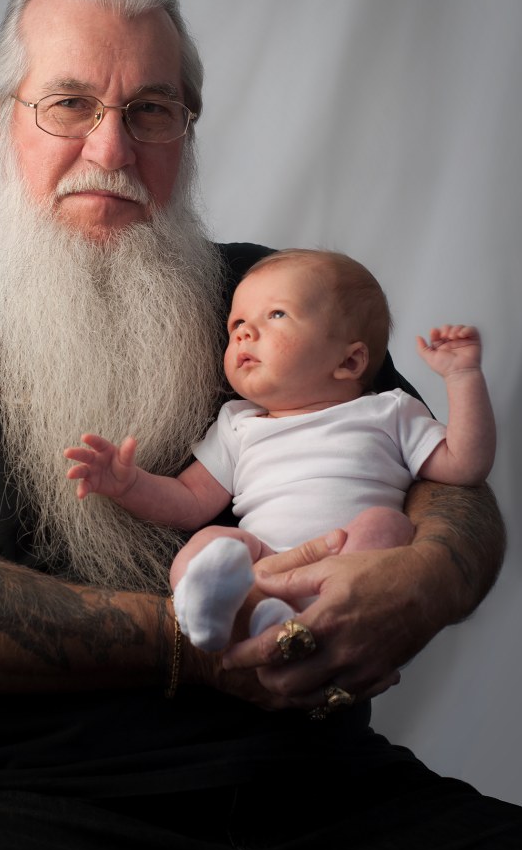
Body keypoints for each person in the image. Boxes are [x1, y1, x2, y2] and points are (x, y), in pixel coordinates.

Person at [0, 0, 522, 850]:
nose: (112, 150)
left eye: (150, 110)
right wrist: (190, 643)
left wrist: (427, 581)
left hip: (326, 790)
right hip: (20, 807)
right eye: (70, 104)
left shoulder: (274, 300)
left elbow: (447, 482)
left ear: (187, 129)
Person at [65, 248, 496, 652]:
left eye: (276, 315)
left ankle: (292, 617)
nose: (245, 332)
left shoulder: (389, 411)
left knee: (386, 524)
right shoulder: (238, 423)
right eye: (236, 324)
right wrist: (130, 484)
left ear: (349, 362)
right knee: (211, 543)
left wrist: (462, 379)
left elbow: (465, 465)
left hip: (348, 575)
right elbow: (190, 501)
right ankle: (212, 614)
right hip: (264, 568)